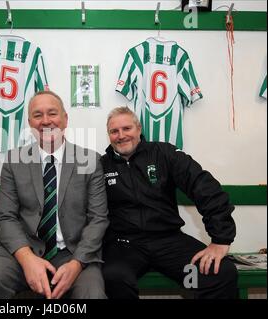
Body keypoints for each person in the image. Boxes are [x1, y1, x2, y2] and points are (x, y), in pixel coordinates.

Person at [0, 91, 109, 299]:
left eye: (52, 113)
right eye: (37, 115)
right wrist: (26, 258)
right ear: (30, 123)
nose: (45, 121)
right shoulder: (15, 161)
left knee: (92, 294)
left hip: (74, 253)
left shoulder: (90, 160)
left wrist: (77, 264)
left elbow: (98, 219)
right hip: (21, 251)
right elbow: (4, 216)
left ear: (65, 118)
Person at [101, 106, 238, 299]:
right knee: (114, 277)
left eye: (127, 128)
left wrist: (221, 238)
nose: (121, 135)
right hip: (124, 246)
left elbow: (202, 186)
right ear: (109, 135)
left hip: (169, 243)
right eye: (114, 131)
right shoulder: (101, 166)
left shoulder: (164, 153)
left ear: (139, 129)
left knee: (220, 274)